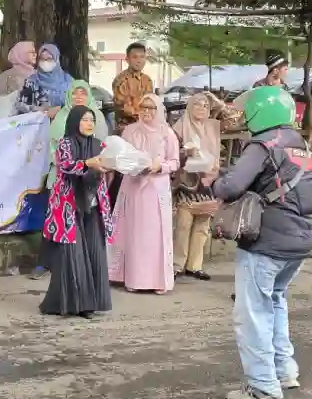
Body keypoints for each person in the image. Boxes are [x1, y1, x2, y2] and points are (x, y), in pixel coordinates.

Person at [211, 86, 312, 399]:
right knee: (275, 302)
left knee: (252, 314)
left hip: (266, 242)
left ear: (260, 112)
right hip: (297, 243)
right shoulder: (302, 146)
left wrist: (213, 181)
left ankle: (263, 390)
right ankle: (284, 371)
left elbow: (231, 186)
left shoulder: (262, 145)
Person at [40, 106, 114, 318]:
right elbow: (66, 166)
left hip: (93, 204)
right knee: (74, 255)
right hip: (69, 208)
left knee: (94, 252)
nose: (89, 124)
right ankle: (72, 304)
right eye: (84, 120)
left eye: (92, 120)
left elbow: (108, 165)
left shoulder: (100, 145)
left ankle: (91, 304)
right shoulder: (65, 143)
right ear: (74, 122)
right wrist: (86, 163)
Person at [31, 81, 109, 280]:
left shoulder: (96, 115)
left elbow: (103, 148)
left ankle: (83, 272)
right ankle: (44, 263)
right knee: (58, 222)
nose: (79, 97)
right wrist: (82, 161)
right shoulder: (61, 119)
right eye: (75, 93)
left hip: (90, 184)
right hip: (62, 180)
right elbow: (56, 152)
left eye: (83, 93)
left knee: (85, 231)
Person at [108, 93, 179, 294]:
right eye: (143, 108)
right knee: (133, 234)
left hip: (156, 191)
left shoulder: (167, 133)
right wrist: (132, 166)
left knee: (155, 236)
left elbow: (175, 162)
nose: (147, 112)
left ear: (158, 110)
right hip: (133, 187)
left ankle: (157, 282)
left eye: (151, 108)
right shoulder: (130, 131)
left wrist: (160, 166)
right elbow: (119, 157)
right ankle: (133, 279)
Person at [171, 92, 221, 281]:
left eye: (205, 106)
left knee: (203, 225)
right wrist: (186, 152)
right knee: (184, 224)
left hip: (208, 180)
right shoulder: (179, 126)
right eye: (197, 105)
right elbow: (171, 151)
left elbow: (232, 118)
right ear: (189, 107)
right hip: (187, 181)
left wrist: (213, 98)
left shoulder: (212, 127)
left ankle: (195, 265)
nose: (201, 109)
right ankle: (178, 264)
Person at [15, 43, 72, 115]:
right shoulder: (31, 81)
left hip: (64, 122)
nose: (45, 62)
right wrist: (36, 109)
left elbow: (77, 103)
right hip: (38, 123)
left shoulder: (68, 80)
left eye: (49, 59)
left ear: (56, 60)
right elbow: (20, 105)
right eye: (42, 59)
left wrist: (60, 109)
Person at [112, 42, 154, 130]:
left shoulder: (147, 80)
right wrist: (144, 115)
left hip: (146, 124)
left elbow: (151, 103)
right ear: (127, 59)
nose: (139, 60)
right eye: (135, 57)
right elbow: (124, 109)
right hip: (127, 127)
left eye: (142, 57)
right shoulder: (121, 80)